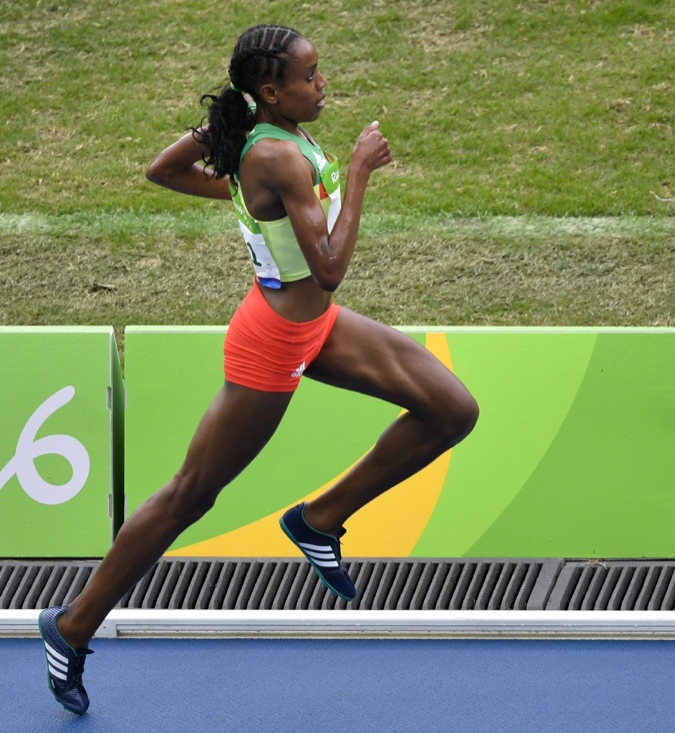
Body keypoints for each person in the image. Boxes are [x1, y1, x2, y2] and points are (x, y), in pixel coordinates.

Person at [38, 23, 478, 715]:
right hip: (274, 339)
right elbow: (329, 268)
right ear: (273, 90)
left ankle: (319, 518)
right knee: (190, 495)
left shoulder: (261, 126)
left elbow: (166, 169)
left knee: (453, 410)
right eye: (309, 75)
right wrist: (358, 172)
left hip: (315, 326)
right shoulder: (277, 155)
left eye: (318, 70)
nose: (321, 81)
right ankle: (71, 625)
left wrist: (248, 201)